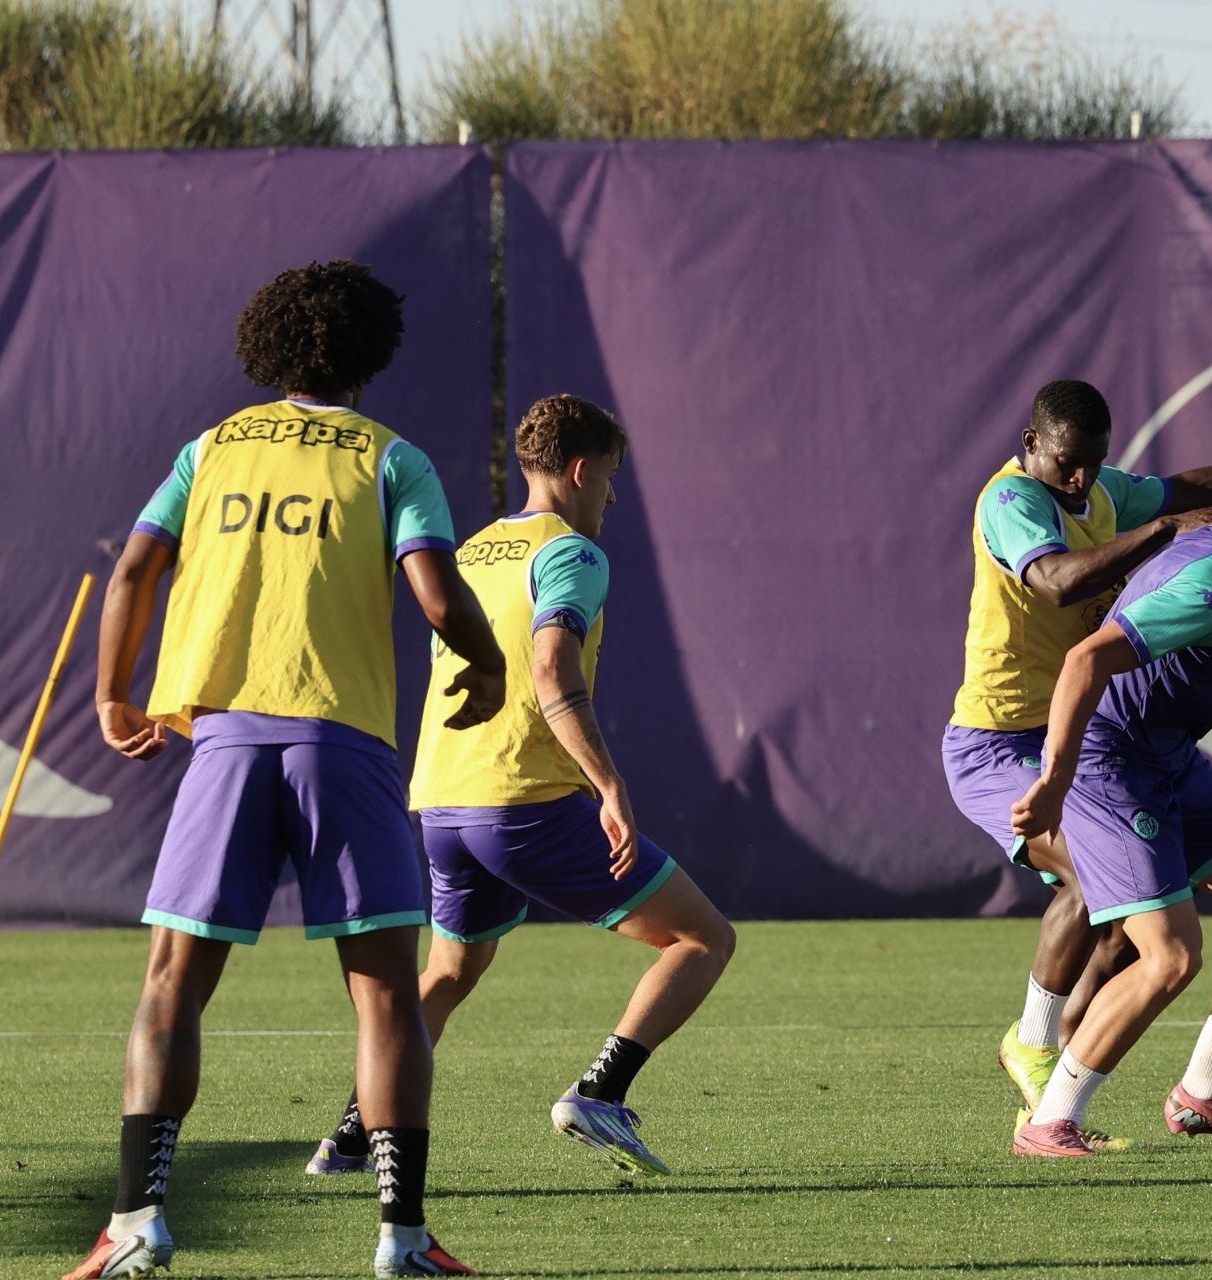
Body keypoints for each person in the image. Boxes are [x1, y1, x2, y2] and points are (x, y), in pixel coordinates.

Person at [68, 260, 505, 1278]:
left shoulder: (211, 447)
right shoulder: (392, 458)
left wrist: (112, 694)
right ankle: (401, 1235)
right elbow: (438, 597)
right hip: (339, 739)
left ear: (268, 349)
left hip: (223, 738)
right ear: (369, 354)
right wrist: (483, 663)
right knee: (387, 993)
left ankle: (136, 1223)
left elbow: (134, 567)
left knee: (173, 981)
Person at [305, 393, 735, 1182]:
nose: (612, 496)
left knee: (448, 973)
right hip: (522, 801)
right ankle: (601, 1093)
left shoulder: (471, 551)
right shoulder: (571, 552)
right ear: (578, 471)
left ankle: (352, 1137)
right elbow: (549, 668)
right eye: (609, 478)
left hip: (440, 800)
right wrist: (607, 782)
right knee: (704, 939)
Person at [942, 380, 1212, 1148]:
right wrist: (1054, 783)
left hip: (1163, 760)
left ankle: (1205, 1090)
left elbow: (1192, 486)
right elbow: (1082, 654)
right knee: (1166, 951)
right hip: (1079, 754)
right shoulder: (1208, 580)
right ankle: (1049, 1112)